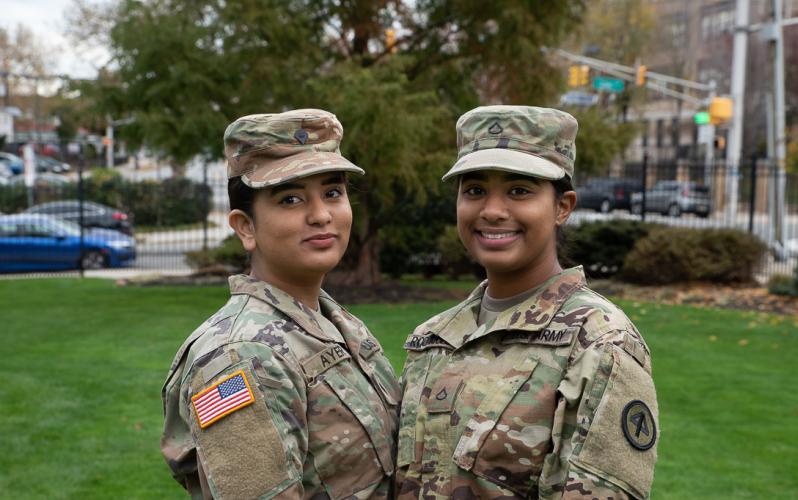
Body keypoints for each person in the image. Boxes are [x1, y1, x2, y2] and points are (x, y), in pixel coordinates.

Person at [396, 105, 659, 499]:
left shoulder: (600, 343)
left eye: (519, 191)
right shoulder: (432, 338)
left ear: (562, 207)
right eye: (475, 191)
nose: (492, 211)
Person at [161, 109, 400, 499]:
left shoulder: (333, 322)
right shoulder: (241, 355)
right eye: (290, 199)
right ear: (246, 227)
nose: (321, 215)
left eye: (332, 192)